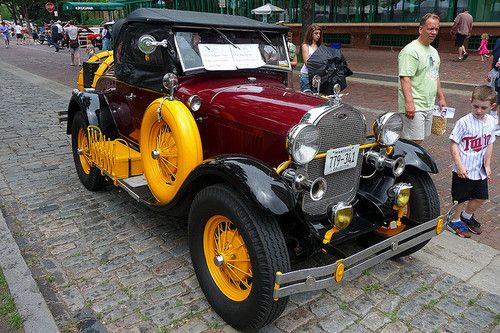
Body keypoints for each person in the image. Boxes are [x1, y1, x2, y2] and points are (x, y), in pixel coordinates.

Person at [446, 85, 496, 238]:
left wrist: (487, 164)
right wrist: (459, 165)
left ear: (492, 106)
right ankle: (454, 220)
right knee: (461, 198)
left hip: (479, 169)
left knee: (480, 196)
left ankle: (466, 217)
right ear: (471, 102)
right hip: (464, 168)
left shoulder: (491, 122)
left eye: (483, 107)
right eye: (475, 106)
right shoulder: (464, 122)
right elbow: (454, 143)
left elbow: (489, 143)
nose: (479, 111)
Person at [398, 13, 446, 145]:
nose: (434, 32)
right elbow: (405, 78)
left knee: (419, 139)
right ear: (420, 29)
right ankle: (402, 164)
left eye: (436, 29)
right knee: (413, 141)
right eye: (430, 29)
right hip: (415, 104)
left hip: (428, 104)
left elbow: (435, 75)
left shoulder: (433, 52)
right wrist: (409, 103)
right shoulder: (411, 51)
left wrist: (441, 97)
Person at [300, 24, 322, 92]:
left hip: (317, 76)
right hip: (306, 75)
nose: (318, 35)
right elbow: (307, 62)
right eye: (316, 33)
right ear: (310, 34)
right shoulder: (306, 46)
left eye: (319, 33)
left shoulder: (319, 46)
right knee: (307, 96)